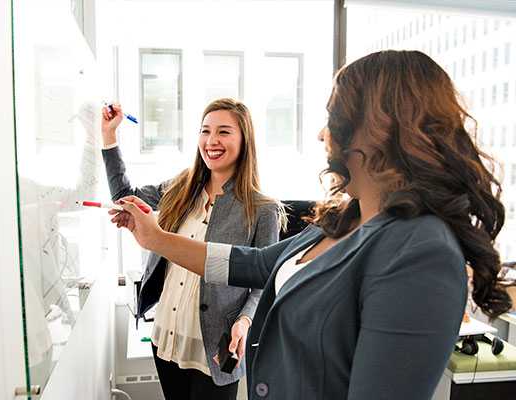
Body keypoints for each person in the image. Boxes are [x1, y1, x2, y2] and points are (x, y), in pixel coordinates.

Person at [109, 50, 513, 399]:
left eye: (333, 119)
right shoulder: (342, 218)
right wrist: (156, 239)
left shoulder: (421, 251)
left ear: (381, 129)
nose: (322, 134)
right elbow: (253, 264)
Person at [101, 98, 284, 399]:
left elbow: (265, 280)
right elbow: (125, 196)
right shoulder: (182, 186)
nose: (212, 140)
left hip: (215, 346)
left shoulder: (263, 209)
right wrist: (110, 136)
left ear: (244, 139)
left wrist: (246, 319)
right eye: (205, 130)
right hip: (167, 336)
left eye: (224, 132)